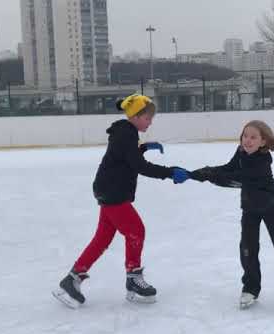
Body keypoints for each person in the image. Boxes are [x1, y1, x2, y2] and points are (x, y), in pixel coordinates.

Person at [53, 94, 190, 308]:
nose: (150, 122)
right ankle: (133, 279)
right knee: (136, 230)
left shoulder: (126, 133)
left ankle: (72, 279)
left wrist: (143, 148)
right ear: (136, 116)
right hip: (113, 192)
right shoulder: (126, 134)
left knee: (103, 238)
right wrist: (170, 172)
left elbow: (127, 157)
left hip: (107, 189)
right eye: (148, 118)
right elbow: (139, 166)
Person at [190, 120, 274, 311]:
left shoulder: (262, 161)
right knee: (247, 247)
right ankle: (251, 287)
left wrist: (209, 175)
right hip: (250, 207)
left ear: (263, 142)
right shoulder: (240, 152)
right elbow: (229, 168)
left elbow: (236, 178)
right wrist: (202, 172)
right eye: (245, 135)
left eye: (253, 137)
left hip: (271, 206)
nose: (247, 140)